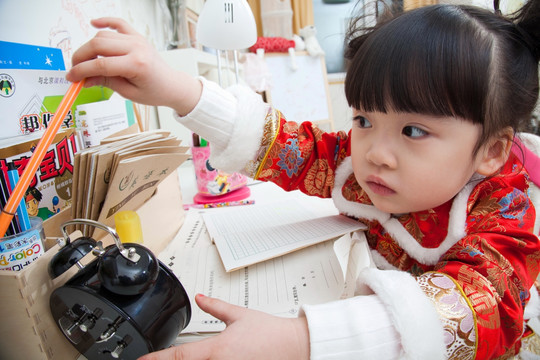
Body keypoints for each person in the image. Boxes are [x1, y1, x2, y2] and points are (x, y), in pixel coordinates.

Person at [66, 0, 540, 358]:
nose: (376, 152)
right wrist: (175, 89)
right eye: (364, 119)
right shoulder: (367, 166)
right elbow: (292, 146)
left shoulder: (504, 217)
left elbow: (482, 309)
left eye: (414, 130)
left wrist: (299, 338)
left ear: (493, 151)